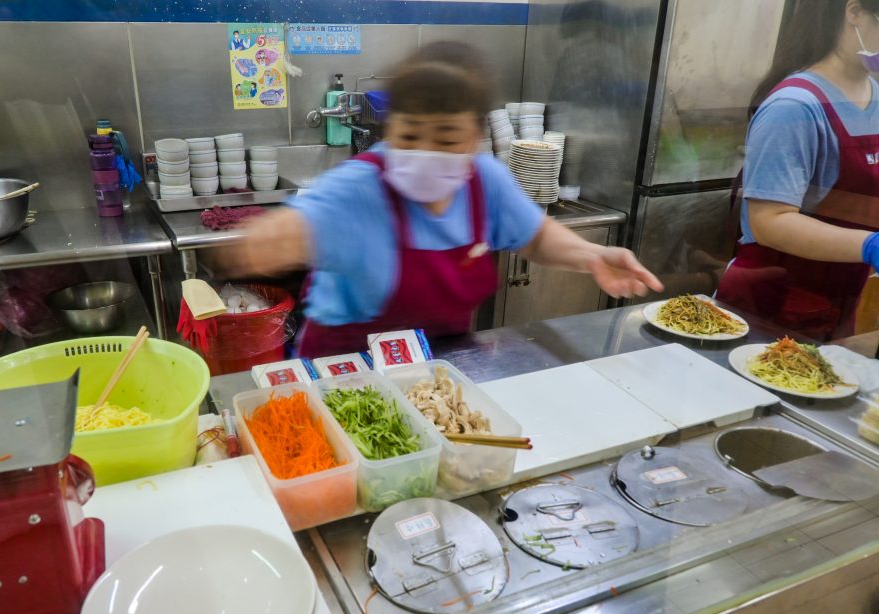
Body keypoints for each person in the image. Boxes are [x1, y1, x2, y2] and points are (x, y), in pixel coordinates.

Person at [226, 41, 663, 357]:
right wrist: (268, 239)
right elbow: (299, 224)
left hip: (443, 374)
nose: (425, 151)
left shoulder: (485, 181)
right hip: (345, 372)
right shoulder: (360, 188)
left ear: (475, 137)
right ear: (389, 129)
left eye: (447, 137)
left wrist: (590, 255)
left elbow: (533, 237)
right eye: (410, 135)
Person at [716, 0, 879, 339]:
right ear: (854, 12)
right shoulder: (794, 107)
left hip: (837, 303)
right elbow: (769, 222)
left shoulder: (876, 96)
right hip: (768, 305)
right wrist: (868, 245)